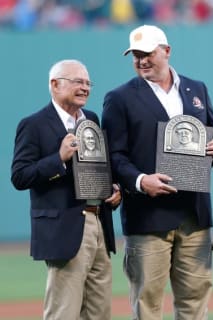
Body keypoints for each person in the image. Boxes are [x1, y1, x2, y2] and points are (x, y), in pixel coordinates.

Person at [101, 24, 213, 319]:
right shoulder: (119, 98)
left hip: (194, 215)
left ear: (166, 51)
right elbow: (113, 155)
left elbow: (212, 133)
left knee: (195, 302)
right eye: (135, 55)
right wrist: (141, 181)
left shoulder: (197, 89)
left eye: (147, 54)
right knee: (147, 304)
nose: (141, 61)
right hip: (147, 216)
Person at [11, 59, 121, 320]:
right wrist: (58, 159)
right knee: (64, 311)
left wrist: (112, 189)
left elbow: (98, 168)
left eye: (87, 83)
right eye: (77, 81)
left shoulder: (91, 120)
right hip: (64, 227)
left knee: (99, 311)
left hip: (98, 220)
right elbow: (20, 176)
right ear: (55, 84)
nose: (84, 88)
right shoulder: (34, 124)